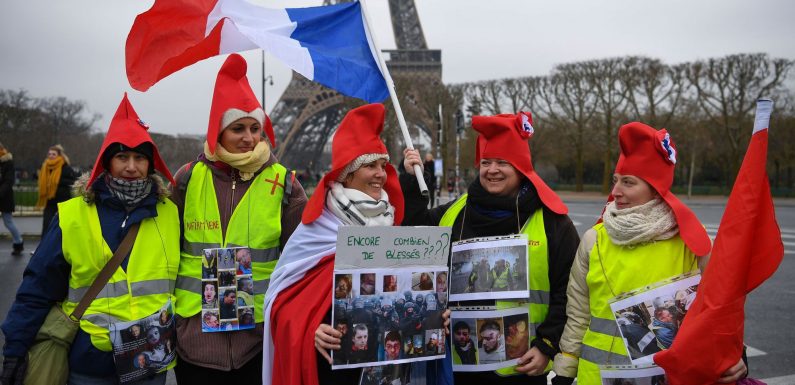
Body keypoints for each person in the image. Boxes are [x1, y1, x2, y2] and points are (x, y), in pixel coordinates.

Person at [263, 103, 450, 385]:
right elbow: (281, 304)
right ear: (346, 174)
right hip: (332, 369)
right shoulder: (316, 230)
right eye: (369, 166)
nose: (380, 174)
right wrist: (311, 328)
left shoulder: (392, 227)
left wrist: (437, 315)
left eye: (382, 166)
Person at [0, 94, 179, 384]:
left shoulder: (170, 214)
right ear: (107, 162)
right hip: (90, 363)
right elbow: (38, 285)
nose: (131, 167)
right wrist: (15, 349)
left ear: (150, 164)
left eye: (140, 158)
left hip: (149, 363)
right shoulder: (72, 215)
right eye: (122, 157)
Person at [551, 122, 747, 385]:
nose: (616, 191)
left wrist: (735, 354)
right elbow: (578, 314)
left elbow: (719, 309)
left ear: (655, 188)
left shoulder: (693, 241)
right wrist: (565, 368)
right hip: (594, 377)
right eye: (616, 181)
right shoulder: (593, 239)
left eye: (628, 183)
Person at [403, 111, 579, 383]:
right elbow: (413, 239)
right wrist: (413, 183)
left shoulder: (553, 223)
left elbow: (568, 292)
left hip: (521, 368)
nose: (492, 170)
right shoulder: (455, 211)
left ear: (521, 168)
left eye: (502, 162)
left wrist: (547, 344)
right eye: (486, 162)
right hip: (458, 365)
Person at [171, 54, 306, 384]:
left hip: (258, 341)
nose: (248, 138)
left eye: (255, 129)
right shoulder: (188, 178)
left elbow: (304, 257)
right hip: (196, 340)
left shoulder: (283, 182)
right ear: (218, 131)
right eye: (238, 128)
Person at [35, 143, 77, 236]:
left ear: (59, 155)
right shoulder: (45, 166)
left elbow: (73, 180)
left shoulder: (65, 167)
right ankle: (43, 248)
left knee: (63, 225)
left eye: (53, 154)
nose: (51, 156)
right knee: (46, 223)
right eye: (49, 154)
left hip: (63, 200)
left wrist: (58, 181)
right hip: (50, 200)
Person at [0, 142, 23, 256]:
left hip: (5, 197)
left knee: (8, 221)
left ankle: (18, 242)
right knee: (8, 221)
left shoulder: (8, 162)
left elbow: (8, 181)